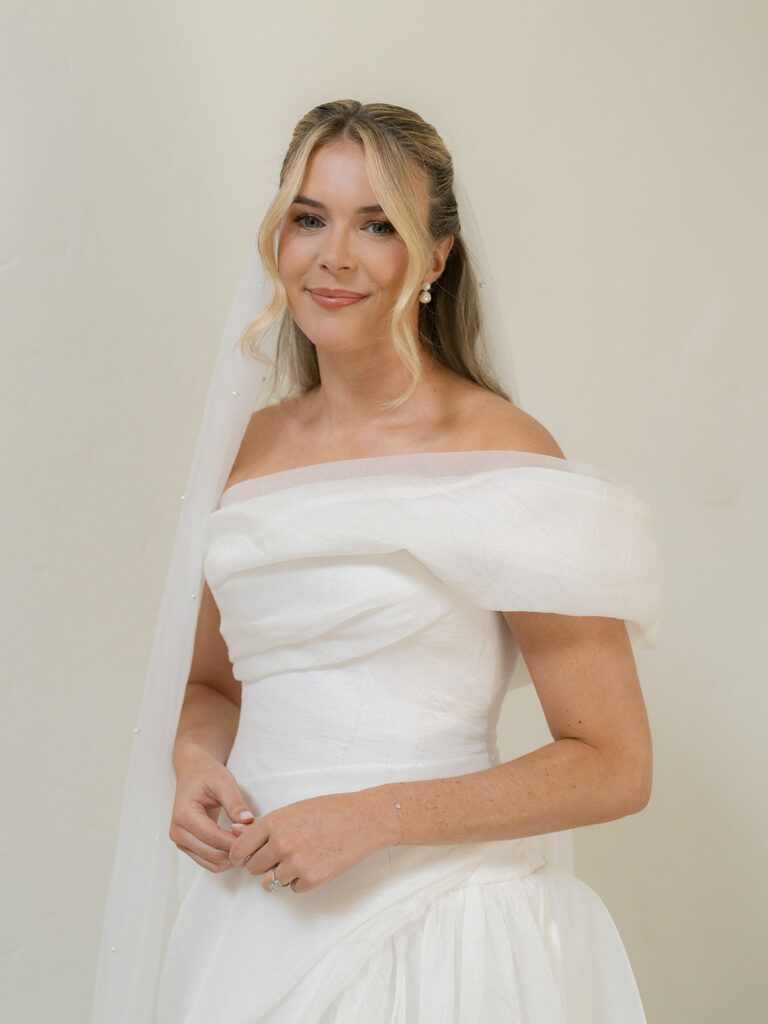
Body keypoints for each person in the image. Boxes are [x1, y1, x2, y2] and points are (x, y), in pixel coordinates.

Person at [92, 99, 663, 1023]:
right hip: (253, 922)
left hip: (439, 934)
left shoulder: (505, 452)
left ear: (436, 256)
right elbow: (211, 683)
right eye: (310, 217)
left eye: (378, 225)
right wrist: (198, 759)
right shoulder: (248, 447)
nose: (335, 257)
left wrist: (371, 818)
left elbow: (613, 764)